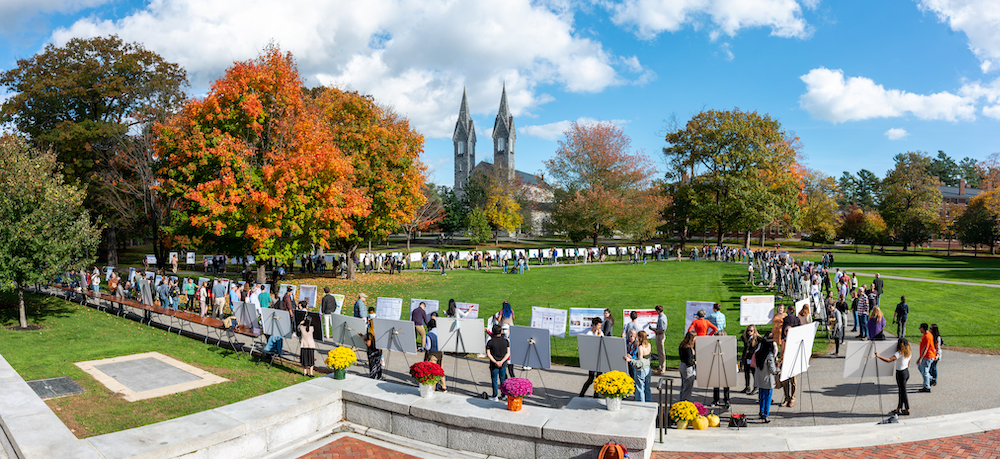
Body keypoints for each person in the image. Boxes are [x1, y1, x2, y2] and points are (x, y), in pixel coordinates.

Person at [875, 338, 911, 416]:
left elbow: (888, 360)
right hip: (906, 372)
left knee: (903, 392)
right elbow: (909, 361)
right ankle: (899, 408)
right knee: (901, 391)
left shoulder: (899, 353)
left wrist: (878, 356)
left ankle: (907, 409)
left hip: (900, 373)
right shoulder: (908, 352)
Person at [754, 336, 779, 423]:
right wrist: (777, 370)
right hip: (768, 379)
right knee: (768, 397)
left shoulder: (758, 354)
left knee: (761, 397)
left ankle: (761, 411)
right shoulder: (770, 355)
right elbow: (772, 369)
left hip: (760, 379)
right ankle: (766, 414)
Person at [578, 317, 604, 397]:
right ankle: (582, 393)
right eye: (598, 325)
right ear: (594, 325)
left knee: (599, 378)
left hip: (599, 358)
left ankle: (596, 394)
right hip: (592, 359)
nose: (599, 327)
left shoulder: (600, 333)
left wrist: (600, 334)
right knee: (591, 378)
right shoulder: (589, 334)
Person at [624, 329, 652, 402]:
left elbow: (639, 362)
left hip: (641, 370)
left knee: (640, 388)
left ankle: (641, 404)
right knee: (647, 388)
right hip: (648, 368)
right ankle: (648, 402)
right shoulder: (649, 345)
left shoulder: (640, 348)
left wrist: (630, 360)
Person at [423, 315, 447, 392]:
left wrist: (421, 348)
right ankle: (443, 386)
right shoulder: (441, 332)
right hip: (440, 352)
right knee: (440, 370)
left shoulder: (429, 334)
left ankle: (432, 389)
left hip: (432, 354)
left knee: (432, 372)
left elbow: (427, 347)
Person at [486, 324, 510, 401]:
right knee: (502, 379)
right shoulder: (505, 341)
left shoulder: (490, 342)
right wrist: (502, 361)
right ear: (501, 331)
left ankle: (495, 396)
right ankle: (503, 395)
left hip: (494, 364)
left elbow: (488, 354)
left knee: (494, 380)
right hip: (503, 364)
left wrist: (495, 361)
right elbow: (508, 353)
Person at [917, 323, 936, 392]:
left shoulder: (927, 336)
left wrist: (920, 358)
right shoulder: (925, 335)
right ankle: (930, 379)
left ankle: (927, 387)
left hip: (928, 356)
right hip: (926, 356)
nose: (919, 329)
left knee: (925, 371)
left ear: (923, 328)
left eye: (920, 328)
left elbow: (926, 348)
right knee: (920, 368)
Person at [741, 325, 760, 394]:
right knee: (746, 373)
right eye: (748, 330)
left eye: (751, 331)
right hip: (746, 357)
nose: (749, 332)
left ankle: (756, 387)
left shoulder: (757, 338)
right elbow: (742, 337)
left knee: (754, 373)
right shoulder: (746, 338)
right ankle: (747, 387)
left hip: (753, 358)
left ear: (754, 331)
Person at [678, 331, 697, 401]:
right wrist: (695, 362)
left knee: (683, 386)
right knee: (688, 388)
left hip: (682, 366)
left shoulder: (682, 345)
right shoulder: (688, 349)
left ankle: (682, 400)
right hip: (687, 369)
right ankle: (685, 402)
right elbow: (689, 362)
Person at [649, 305, 668, 374]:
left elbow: (662, 330)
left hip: (660, 336)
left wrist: (653, 329)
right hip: (659, 336)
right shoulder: (662, 316)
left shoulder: (661, 318)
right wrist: (654, 323)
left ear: (658, 310)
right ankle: (660, 367)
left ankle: (662, 369)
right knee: (660, 352)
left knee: (661, 353)